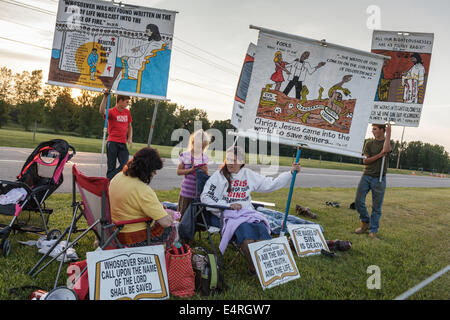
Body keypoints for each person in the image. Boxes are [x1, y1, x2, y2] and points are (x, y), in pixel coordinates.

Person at [200, 146, 301, 274]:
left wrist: (290, 173)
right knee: (245, 230)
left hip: (247, 214)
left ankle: (269, 268)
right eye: (228, 159)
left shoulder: (248, 174)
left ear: (242, 162)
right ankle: (254, 267)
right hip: (226, 215)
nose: (230, 163)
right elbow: (205, 197)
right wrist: (227, 205)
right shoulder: (219, 176)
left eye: (234, 160)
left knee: (260, 228)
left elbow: (270, 184)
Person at [109, 147, 176, 247]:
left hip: (115, 232)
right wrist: (170, 215)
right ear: (146, 170)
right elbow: (165, 223)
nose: (155, 173)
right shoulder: (143, 190)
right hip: (134, 239)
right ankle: (165, 256)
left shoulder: (118, 177)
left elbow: (132, 204)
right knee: (172, 227)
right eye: (153, 170)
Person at [354, 123, 392, 239]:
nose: (373, 131)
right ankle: (365, 222)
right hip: (366, 176)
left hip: (379, 178)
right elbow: (365, 161)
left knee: (377, 207)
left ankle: (373, 230)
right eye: (372, 129)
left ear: (382, 130)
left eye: (375, 129)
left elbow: (386, 149)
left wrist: (389, 133)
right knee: (358, 201)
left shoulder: (389, 142)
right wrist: (380, 154)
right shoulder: (369, 143)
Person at [99, 91, 133, 180]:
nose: (127, 104)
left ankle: (109, 179)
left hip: (122, 143)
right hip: (112, 143)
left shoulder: (127, 112)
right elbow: (101, 111)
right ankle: (109, 185)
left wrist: (130, 138)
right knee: (111, 166)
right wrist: (105, 97)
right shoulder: (111, 111)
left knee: (125, 165)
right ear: (120, 101)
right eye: (126, 102)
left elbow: (130, 126)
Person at [177, 129, 211, 216]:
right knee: (182, 215)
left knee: (194, 217)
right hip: (186, 192)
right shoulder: (185, 155)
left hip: (197, 193)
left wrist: (205, 171)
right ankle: (179, 229)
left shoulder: (204, 157)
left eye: (203, 147)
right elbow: (179, 171)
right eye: (199, 146)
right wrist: (191, 170)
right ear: (193, 142)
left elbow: (205, 177)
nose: (200, 149)